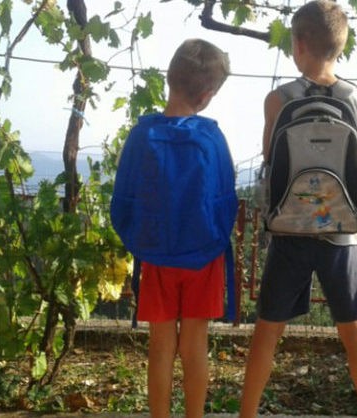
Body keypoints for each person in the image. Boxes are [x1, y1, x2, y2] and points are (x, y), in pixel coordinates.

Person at [239, 1, 357, 417]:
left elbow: (270, 160)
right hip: (342, 232)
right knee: (355, 330)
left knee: (268, 330)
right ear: (341, 45)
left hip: (289, 228)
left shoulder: (278, 99)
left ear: (298, 45)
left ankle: (247, 413)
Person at [131, 39, 231, 418]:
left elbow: (127, 199)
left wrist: (143, 243)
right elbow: (225, 198)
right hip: (204, 258)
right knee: (194, 345)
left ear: (169, 78)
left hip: (157, 256)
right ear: (206, 96)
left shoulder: (143, 134)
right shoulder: (212, 137)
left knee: (160, 346)